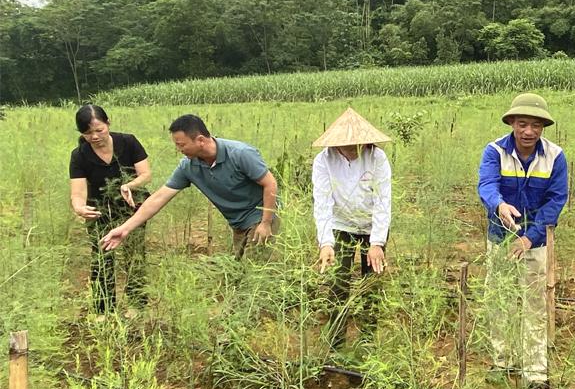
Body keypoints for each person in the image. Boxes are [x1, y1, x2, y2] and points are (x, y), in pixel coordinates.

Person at [477, 93, 568, 389]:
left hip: (535, 242)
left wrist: (530, 237)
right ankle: (503, 363)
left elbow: (556, 200)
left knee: (534, 305)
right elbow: (486, 185)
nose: (529, 131)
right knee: (500, 302)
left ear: (543, 127)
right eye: (522, 124)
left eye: (536, 125)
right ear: (512, 124)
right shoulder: (494, 152)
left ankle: (535, 372)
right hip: (500, 238)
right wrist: (499, 205)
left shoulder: (555, 157)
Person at [102, 114, 278, 259]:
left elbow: (270, 183)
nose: (179, 149)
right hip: (238, 224)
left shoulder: (240, 154)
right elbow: (158, 198)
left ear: (200, 140)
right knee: (239, 274)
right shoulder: (188, 166)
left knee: (253, 280)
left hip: (260, 217)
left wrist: (266, 222)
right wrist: (125, 229)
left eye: (181, 144)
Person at [312, 108, 393, 346]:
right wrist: (326, 243)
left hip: (371, 226)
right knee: (339, 283)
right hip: (341, 225)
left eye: (357, 145)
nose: (352, 150)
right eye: (346, 146)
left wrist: (377, 242)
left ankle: (367, 341)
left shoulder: (377, 157)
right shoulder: (323, 161)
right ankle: (336, 341)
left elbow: (382, 200)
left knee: (371, 282)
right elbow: (323, 201)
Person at [69, 105, 152, 316]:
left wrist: (129, 185)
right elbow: (78, 192)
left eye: (99, 130)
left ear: (108, 123)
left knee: (135, 254)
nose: (94, 136)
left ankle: (137, 305)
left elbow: (145, 174)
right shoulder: (79, 155)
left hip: (132, 207)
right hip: (99, 211)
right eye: (87, 133)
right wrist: (79, 207)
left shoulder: (128, 142)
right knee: (101, 257)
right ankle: (103, 310)